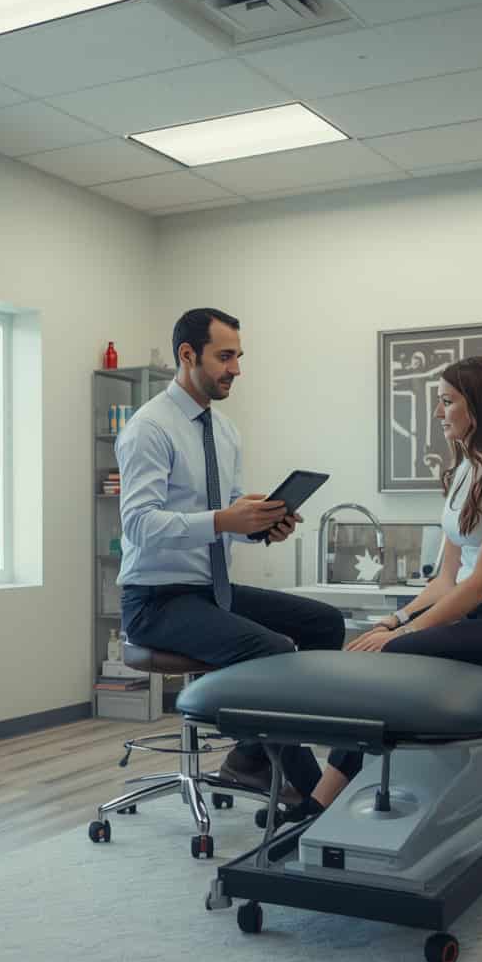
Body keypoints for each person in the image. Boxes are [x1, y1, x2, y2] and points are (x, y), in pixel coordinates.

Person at [116, 307, 362, 819]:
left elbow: (223, 520)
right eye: (225, 357)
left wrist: (261, 525)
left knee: (324, 622)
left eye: (238, 357)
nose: (236, 369)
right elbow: (139, 524)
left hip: (210, 590)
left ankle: (250, 755)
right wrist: (227, 521)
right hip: (156, 600)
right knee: (270, 649)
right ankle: (317, 799)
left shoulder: (224, 431)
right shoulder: (148, 429)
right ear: (188, 356)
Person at [347, 356, 482, 676]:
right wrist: (394, 620)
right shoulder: (465, 469)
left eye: (447, 402)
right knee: (380, 641)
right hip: (477, 617)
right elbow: (447, 580)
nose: (438, 413)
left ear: (480, 407)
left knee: (391, 650)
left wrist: (402, 635)